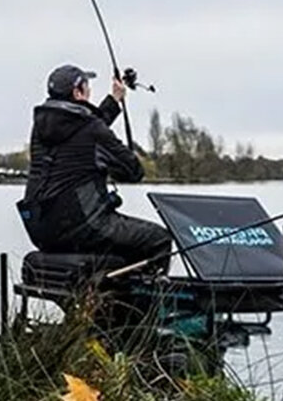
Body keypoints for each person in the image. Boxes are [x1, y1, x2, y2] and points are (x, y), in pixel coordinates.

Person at [16, 64, 172, 273]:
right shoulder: (92, 130)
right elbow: (133, 171)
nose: (90, 92)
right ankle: (148, 304)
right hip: (83, 227)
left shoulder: (41, 128)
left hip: (41, 229)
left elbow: (81, 129)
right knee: (158, 239)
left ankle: (110, 298)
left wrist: (114, 101)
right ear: (77, 92)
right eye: (87, 87)